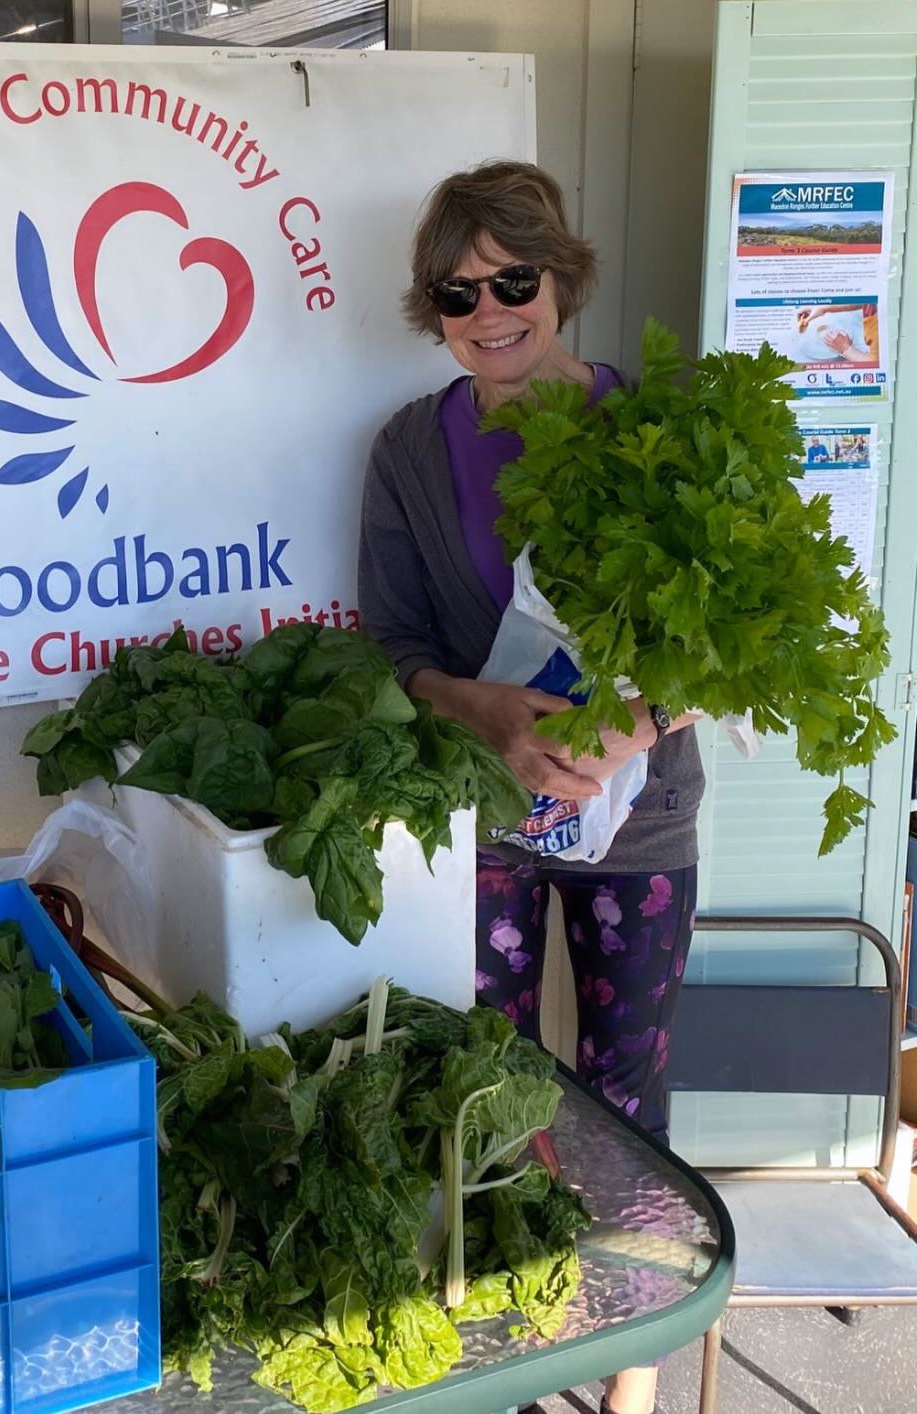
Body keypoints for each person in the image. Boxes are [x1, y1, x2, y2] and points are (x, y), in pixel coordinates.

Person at [358, 161, 704, 1414]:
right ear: (433, 306)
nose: (489, 310)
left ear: (562, 280)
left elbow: (729, 638)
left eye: (515, 279)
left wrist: (635, 729)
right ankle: (507, 1345)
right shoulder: (407, 449)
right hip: (486, 818)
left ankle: (631, 1364)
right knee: (488, 1084)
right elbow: (389, 647)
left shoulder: (661, 428)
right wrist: (486, 712)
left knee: (626, 1081)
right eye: (458, 291)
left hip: (641, 821)